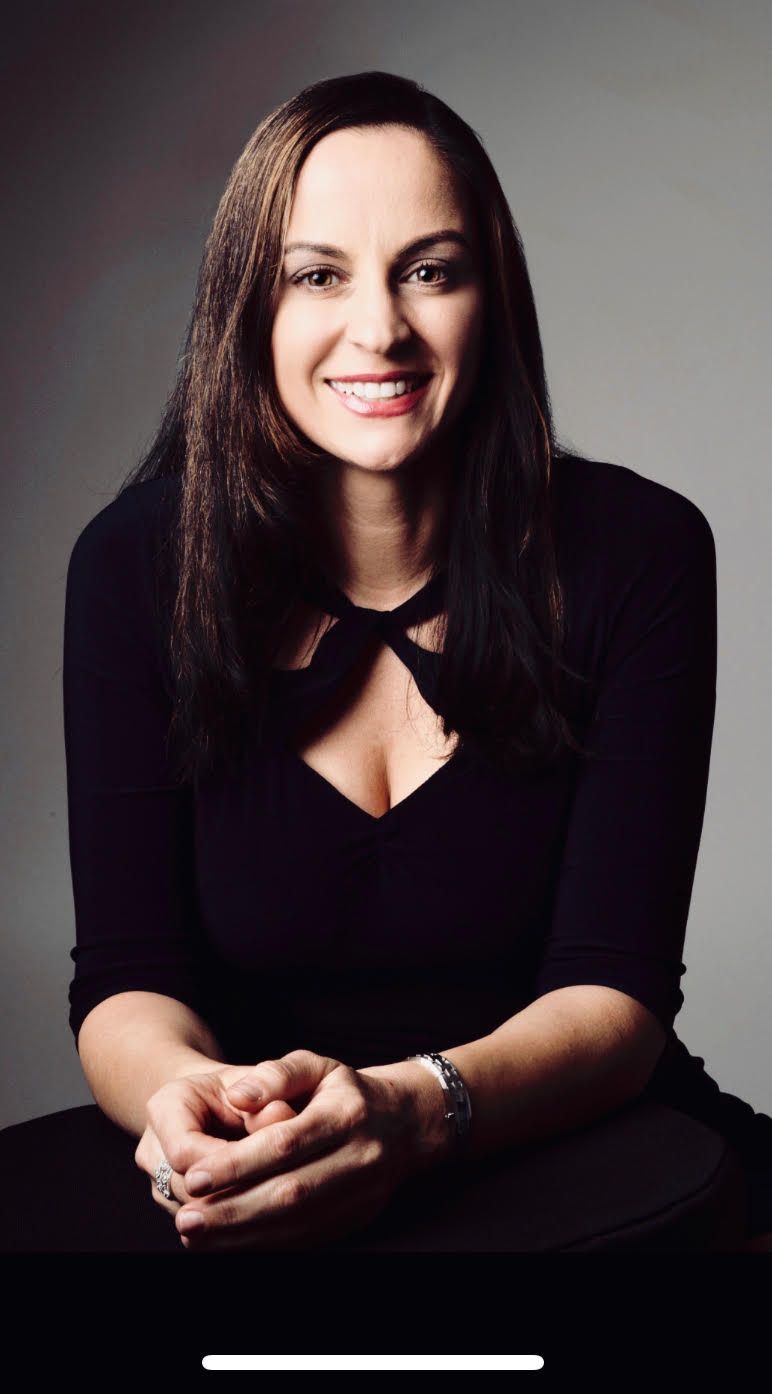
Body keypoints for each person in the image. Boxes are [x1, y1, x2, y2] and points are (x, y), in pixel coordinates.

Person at [2, 70, 771, 1254]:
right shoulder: (133, 567)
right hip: (255, 1164)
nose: (380, 329)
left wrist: (413, 1109)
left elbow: (615, 996)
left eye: (430, 269)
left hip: (584, 1159)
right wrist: (180, 1110)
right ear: (248, 304)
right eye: (318, 274)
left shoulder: (642, 551)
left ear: (490, 298)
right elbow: (125, 977)